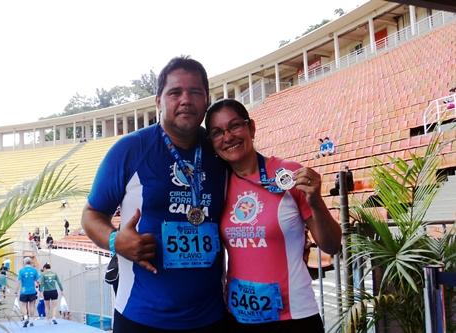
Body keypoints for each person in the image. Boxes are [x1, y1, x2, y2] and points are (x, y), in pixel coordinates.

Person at [81, 56, 227, 332]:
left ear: (206, 99)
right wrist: (116, 241)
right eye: (175, 92)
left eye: (195, 92)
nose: (186, 99)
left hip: (211, 317)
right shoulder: (129, 150)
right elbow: (91, 214)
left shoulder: (220, 150)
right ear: (158, 101)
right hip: (140, 316)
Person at [205, 99, 342, 333]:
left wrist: (316, 201)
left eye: (235, 126)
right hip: (238, 317)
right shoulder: (218, 185)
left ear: (252, 128)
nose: (228, 137)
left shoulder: (287, 173)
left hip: (293, 316)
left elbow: (331, 245)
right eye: (218, 132)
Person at [16, 257, 41, 328]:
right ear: (31, 262)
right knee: (32, 305)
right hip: (32, 291)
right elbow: (38, 281)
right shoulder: (34, 270)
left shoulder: (21, 271)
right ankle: (32, 321)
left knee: (23, 305)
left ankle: (26, 317)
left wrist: (16, 291)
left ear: (24, 262)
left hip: (23, 291)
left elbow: (19, 281)